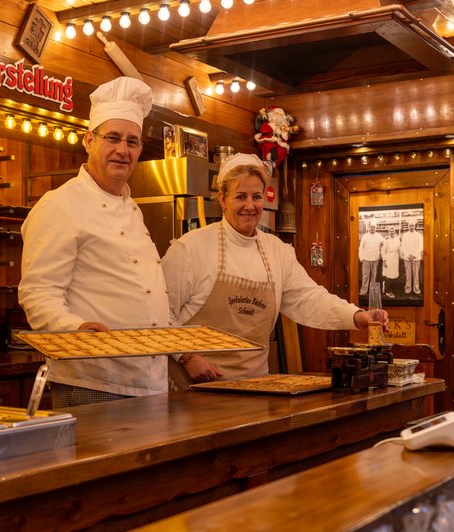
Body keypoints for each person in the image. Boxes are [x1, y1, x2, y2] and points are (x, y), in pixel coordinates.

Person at [161, 153, 388, 385]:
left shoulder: (277, 251)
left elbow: (308, 298)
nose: (249, 206)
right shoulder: (189, 249)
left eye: (256, 197)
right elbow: (159, 314)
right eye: (240, 197)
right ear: (222, 199)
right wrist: (186, 357)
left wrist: (356, 316)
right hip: (193, 390)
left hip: (254, 387)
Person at [19, 77, 170, 407]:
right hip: (93, 378)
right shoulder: (59, 206)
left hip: (150, 378)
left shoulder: (132, 208)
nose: (122, 149)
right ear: (89, 140)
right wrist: (75, 328)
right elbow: (38, 291)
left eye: (132, 142)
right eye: (112, 138)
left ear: (140, 150)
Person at [358, 219, 384, 296]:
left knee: (374, 277)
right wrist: (361, 257)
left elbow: (384, 243)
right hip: (366, 259)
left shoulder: (379, 236)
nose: (373, 229)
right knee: (365, 276)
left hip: (375, 259)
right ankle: (363, 291)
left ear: (376, 228)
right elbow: (361, 247)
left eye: (374, 227)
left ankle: (373, 292)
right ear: (369, 228)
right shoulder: (365, 236)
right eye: (371, 227)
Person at [400, 220, 423, 295]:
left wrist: (414, 255)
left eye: (412, 226)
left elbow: (421, 246)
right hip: (407, 258)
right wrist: (407, 255)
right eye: (410, 226)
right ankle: (408, 288)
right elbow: (403, 246)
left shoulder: (419, 235)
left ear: (415, 226)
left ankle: (416, 289)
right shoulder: (405, 235)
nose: (411, 227)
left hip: (416, 258)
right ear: (408, 226)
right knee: (408, 274)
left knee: (416, 275)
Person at [380, 225, 400, 298]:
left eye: (393, 231)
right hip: (388, 258)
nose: (391, 232)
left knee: (393, 275)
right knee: (388, 275)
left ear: (395, 232)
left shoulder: (397, 239)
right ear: (388, 232)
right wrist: (384, 260)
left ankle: (386, 286)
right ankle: (388, 291)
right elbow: (383, 252)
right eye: (390, 231)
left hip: (395, 258)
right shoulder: (386, 240)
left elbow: (399, 249)